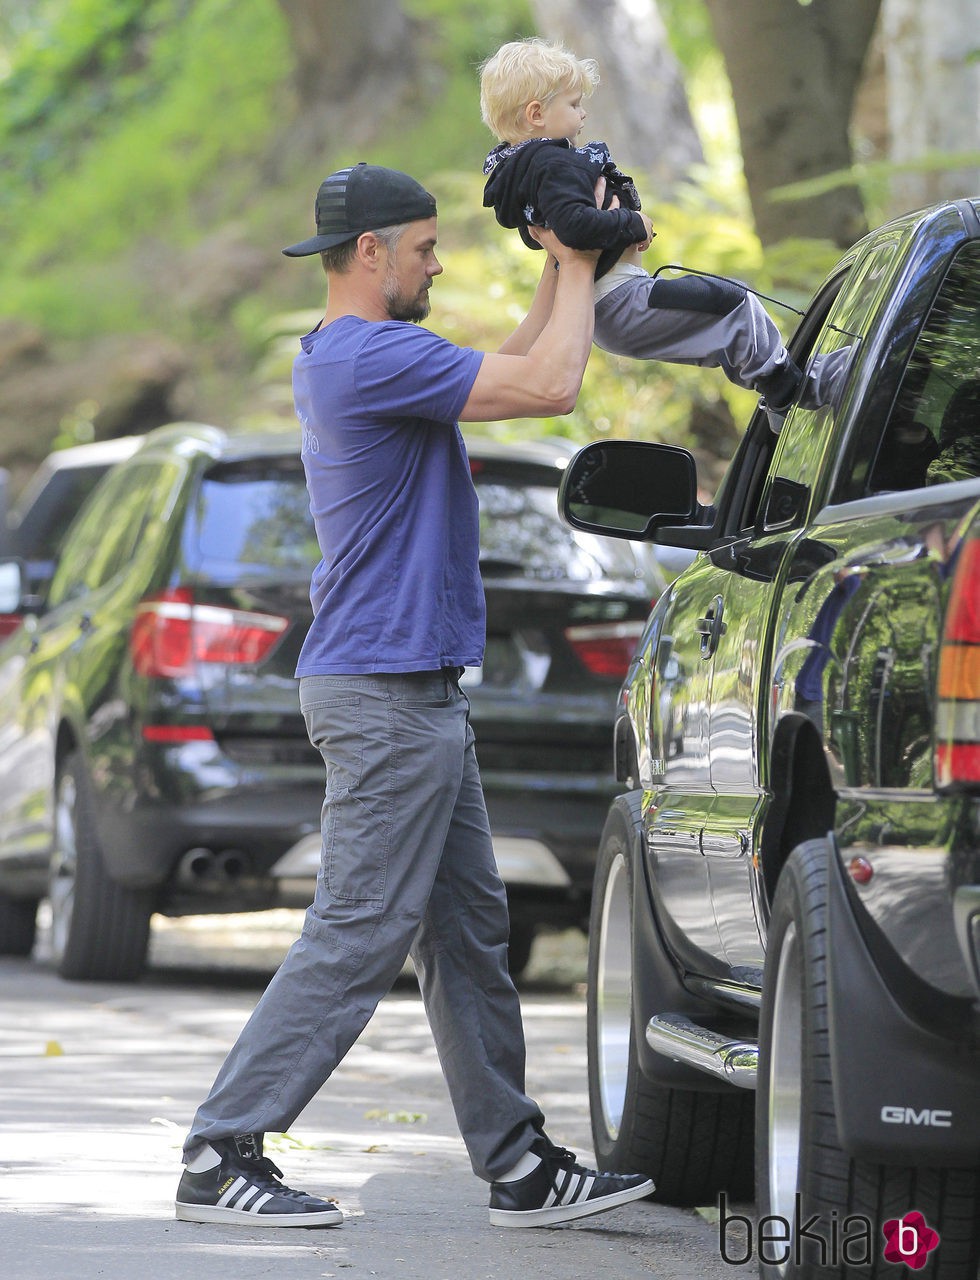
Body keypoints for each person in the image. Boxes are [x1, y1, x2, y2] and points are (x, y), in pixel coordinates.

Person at [174, 161, 654, 1231]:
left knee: (469, 930)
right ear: (374, 253)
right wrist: (577, 259)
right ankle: (222, 1146)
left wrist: (565, 262)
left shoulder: (372, 352)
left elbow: (524, 358)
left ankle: (517, 1163)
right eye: (428, 247)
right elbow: (551, 388)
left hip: (416, 690)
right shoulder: (364, 353)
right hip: (383, 694)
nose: (439, 261)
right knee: (357, 926)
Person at [479, 37, 809, 421]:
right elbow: (575, 228)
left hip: (605, 306)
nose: (583, 114)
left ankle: (800, 389)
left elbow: (548, 234)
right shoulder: (553, 163)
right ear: (536, 114)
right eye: (573, 104)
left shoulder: (523, 171)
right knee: (735, 302)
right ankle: (785, 392)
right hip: (620, 299)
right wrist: (632, 222)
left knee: (720, 333)